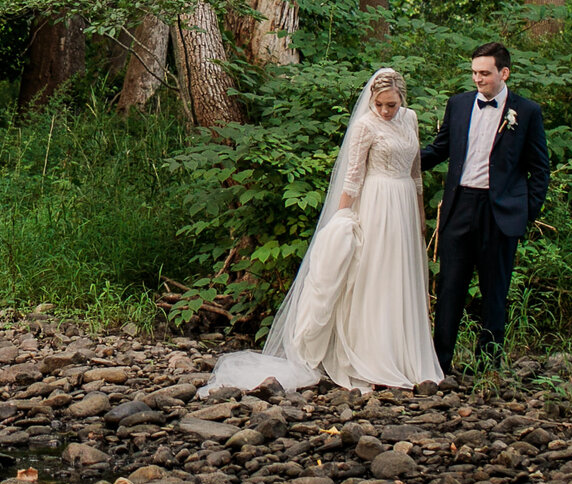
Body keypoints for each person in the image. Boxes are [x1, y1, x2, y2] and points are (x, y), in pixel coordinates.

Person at [203, 66, 444, 393]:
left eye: (392, 105)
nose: (386, 111)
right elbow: (353, 178)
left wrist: (420, 214)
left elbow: (416, 172)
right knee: (374, 277)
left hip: (403, 205)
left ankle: (405, 357)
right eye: (380, 105)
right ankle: (371, 356)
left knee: (401, 277)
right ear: (371, 100)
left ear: (403, 99)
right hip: (375, 204)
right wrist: (341, 220)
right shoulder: (365, 126)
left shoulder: (411, 119)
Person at [420, 41, 549, 373]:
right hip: (460, 206)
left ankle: (488, 367)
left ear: (504, 73)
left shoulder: (527, 111)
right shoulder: (459, 105)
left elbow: (540, 169)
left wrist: (526, 211)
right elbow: (440, 149)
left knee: (494, 290)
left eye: (485, 73)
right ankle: (441, 364)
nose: (478, 79)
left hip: (500, 212)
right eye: (474, 72)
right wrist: (393, 160)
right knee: (450, 287)